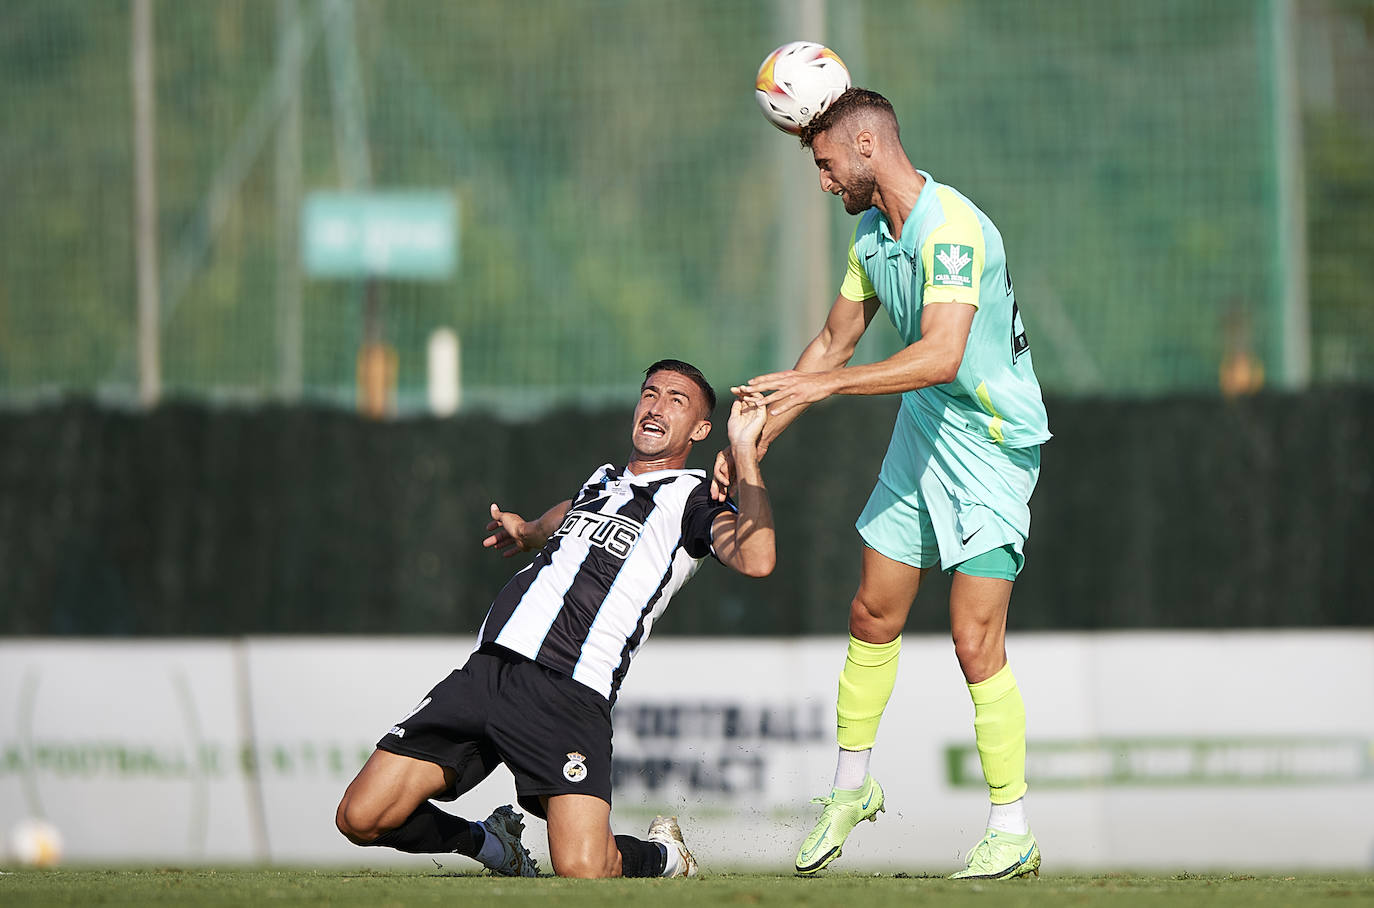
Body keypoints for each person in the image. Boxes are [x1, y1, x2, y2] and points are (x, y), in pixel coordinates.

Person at [714, 88, 1050, 880]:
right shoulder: (873, 234)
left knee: (974, 639)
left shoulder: (953, 230)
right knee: (871, 611)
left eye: (828, 166)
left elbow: (940, 354)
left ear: (867, 149)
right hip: (924, 428)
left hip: (993, 445)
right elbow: (832, 343)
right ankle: (851, 790)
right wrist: (753, 432)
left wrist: (823, 392)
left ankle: (1012, 826)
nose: (826, 183)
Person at [336, 359, 775, 879]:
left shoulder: (694, 501)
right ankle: (490, 845)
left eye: (677, 401)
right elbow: (565, 515)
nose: (656, 407)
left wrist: (744, 452)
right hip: (486, 675)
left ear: (701, 430)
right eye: (650, 394)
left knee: (584, 869)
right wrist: (526, 532)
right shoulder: (600, 483)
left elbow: (758, 559)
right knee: (360, 817)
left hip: (568, 693)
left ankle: (663, 857)